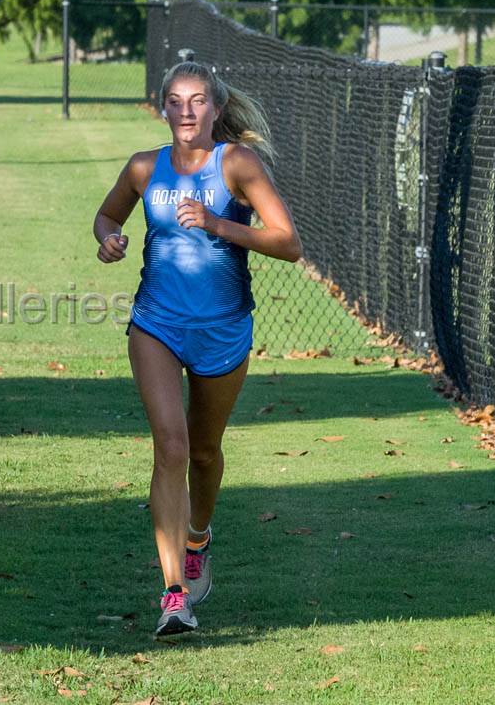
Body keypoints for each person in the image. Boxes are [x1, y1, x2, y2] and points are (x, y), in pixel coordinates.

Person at [92, 61, 301, 636]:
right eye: (176, 101)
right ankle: (173, 596)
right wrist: (108, 237)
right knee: (172, 446)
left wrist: (218, 224)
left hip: (223, 326)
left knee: (205, 453)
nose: (187, 111)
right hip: (156, 323)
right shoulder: (143, 167)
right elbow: (108, 213)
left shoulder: (236, 164)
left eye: (198, 101)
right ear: (164, 108)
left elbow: (289, 242)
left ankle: (198, 537)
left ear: (214, 108)